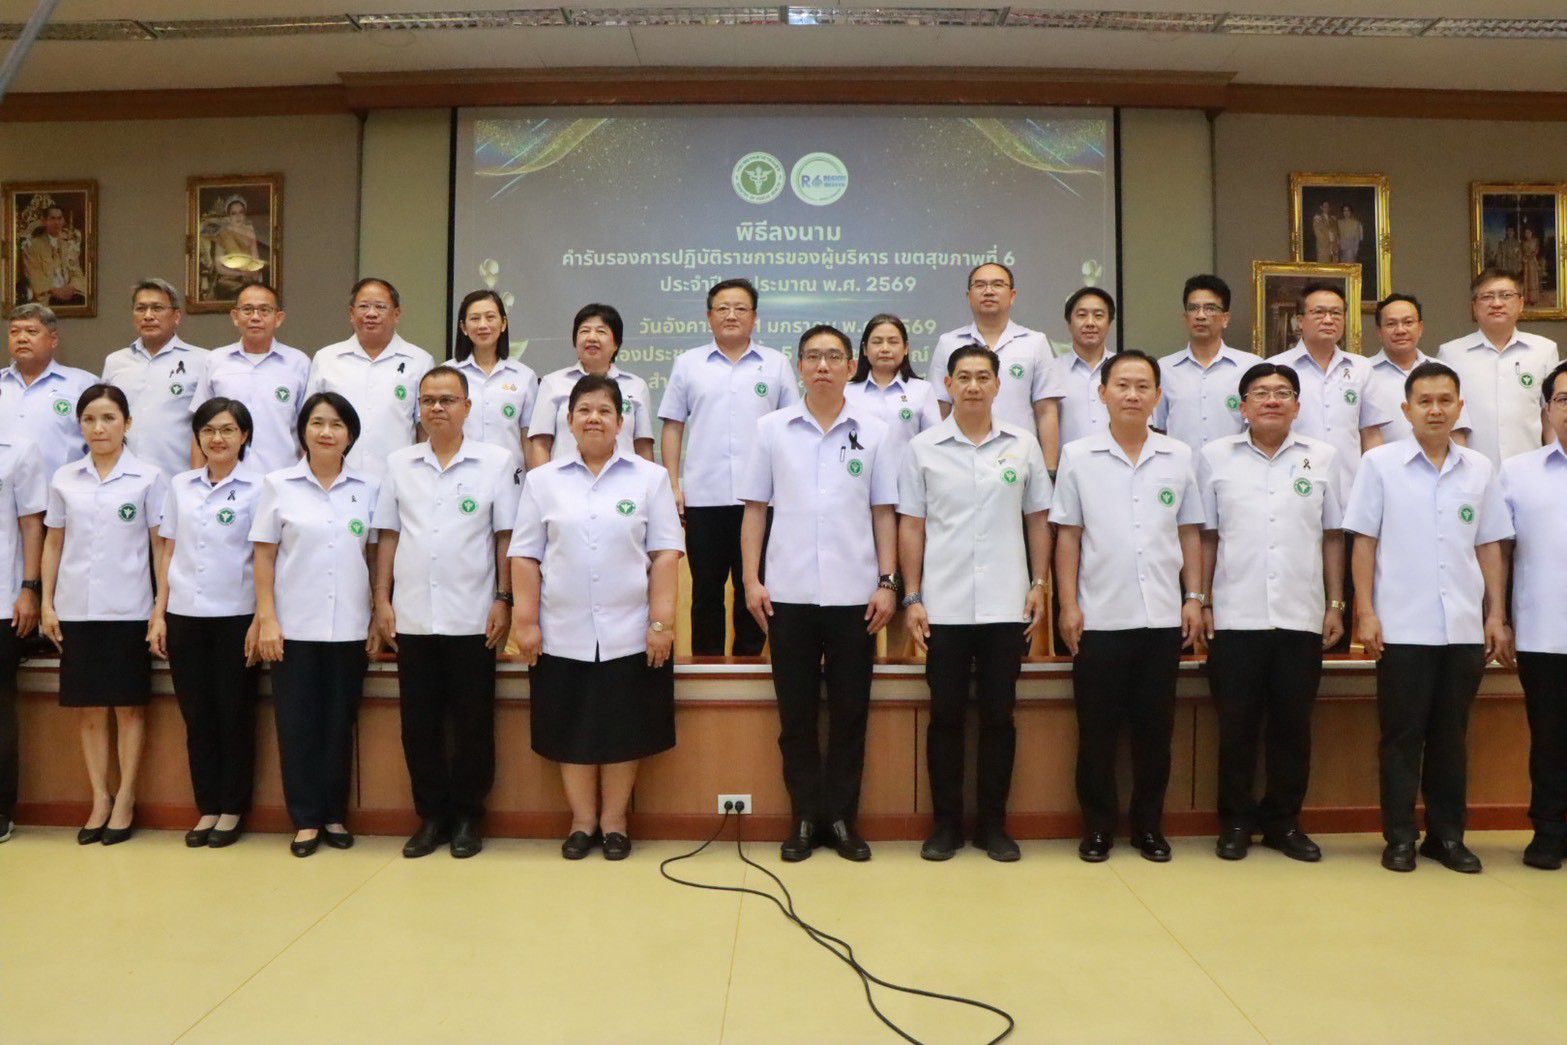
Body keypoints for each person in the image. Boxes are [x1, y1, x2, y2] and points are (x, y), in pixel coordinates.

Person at [1343, 361, 1512, 874]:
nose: (1435, 410)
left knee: (1450, 738)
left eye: (1445, 401)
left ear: (1460, 407)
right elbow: (1364, 543)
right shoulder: (1380, 464)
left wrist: (1496, 614)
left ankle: (1447, 836)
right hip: (1402, 625)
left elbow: (1489, 544)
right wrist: (1366, 611)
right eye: (1425, 401)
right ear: (1406, 409)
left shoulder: (1479, 469)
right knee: (1401, 738)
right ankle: (1399, 837)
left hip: (1462, 626)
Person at [740, 325, 898, 863]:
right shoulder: (771, 429)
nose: (823, 365)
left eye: (833, 356)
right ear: (800, 367)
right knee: (797, 717)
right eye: (812, 357)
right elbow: (754, 510)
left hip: (857, 597)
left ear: (851, 366)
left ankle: (842, 820)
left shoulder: (876, 431)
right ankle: (805, 818)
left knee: (851, 716)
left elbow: (884, 512)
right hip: (788, 596)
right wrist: (751, 580)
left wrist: (887, 582)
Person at [509, 375, 684, 861]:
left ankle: (615, 822)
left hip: (631, 632)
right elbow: (524, 556)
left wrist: (661, 623)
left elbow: (665, 555)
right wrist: (526, 621)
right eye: (584, 410)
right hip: (560, 632)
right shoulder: (543, 481)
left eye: (605, 411)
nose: (594, 419)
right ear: (569, 421)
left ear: (620, 422)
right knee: (570, 731)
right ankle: (582, 821)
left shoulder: (649, 478)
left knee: (625, 732)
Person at [897, 345, 1052, 862]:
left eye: (983, 377)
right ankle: (945, 826)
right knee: (945, 718)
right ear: (947, 384)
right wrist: (913, 595)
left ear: (998, 385)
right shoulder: (923, 447)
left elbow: (1037, 519)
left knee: (998, 718)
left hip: (1007, 605)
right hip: (943, 604)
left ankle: (992, 826)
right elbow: (912, 526)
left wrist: (1039, 582)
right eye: (963, 377)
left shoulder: (1022, 444)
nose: (973, 386)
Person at [1051, 350, 1204, 863]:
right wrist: (1067, 604)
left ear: (1158, 396)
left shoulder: (1178, 455)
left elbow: (1189, 531)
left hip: (1161, 617)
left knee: (1154, 734)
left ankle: (1148, 827)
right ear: (1103, 394)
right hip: (1099, 617)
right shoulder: (1078, 456)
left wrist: (1194, 597)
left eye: (1143, 387)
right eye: (1122, 385)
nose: (1132, 395)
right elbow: (1068, 536)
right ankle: (1097, 828)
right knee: (1096, 734)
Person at [1197, 362, 1345, 862]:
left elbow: (1332, 536)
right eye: (1260, 393)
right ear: (1243, 406)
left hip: (1300, 615)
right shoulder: (1215, 457)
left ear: (1298, 406)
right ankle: (1236, 821)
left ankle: (1284, 822)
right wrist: (1202, 599)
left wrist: (1335, 603)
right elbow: (1207, 537)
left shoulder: (1322, 457)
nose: (1272, 400)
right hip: (1235, 616)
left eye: (1283, 392)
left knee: (1292, 728)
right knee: (1236, 728)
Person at [373, 367, 520, 860]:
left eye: (447, 400)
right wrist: (382, 600)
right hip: (413, 615)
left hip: (473, 615)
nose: (437, 408)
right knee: (419, 725)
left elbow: (505, 536)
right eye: (428, 400)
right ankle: (431, 816)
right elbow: (388, 536)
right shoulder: (399, 463)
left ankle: (468, 818)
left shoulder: (495, 462)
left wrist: (504, 598)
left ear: (467, 407)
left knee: (473, 724)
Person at [250, 392, 378, 858]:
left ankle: (333, 814)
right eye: (318, 423)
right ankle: (305, 819)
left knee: (339, 724)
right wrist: (267, 618)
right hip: (293, 627)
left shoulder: (368, 488)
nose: (327, 432)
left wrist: (375, 614)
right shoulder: (279, 484)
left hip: (349, 626)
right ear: (303, 431)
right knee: (297, 724)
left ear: (351, 435)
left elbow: (372, 556)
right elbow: (264, 556)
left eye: (337, 424)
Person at [39, 385, 167, 846]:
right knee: (90, 710)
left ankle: (126, 797)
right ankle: (100, 798)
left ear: (127, 423)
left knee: (129, 709)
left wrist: (160, 609)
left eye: (109, 418)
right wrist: (47, 603)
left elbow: (160, 547)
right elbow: (53, 542)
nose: (99, 428)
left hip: (130, 609)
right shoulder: (64, 478)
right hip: (76, 609)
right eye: (90, 419)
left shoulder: (148, 477)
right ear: (80, 425)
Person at [658, 278, 797, 657]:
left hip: (760, 500)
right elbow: (673, 426)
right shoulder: (688, 364)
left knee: (754, 587)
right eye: (722, 308)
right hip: (704, 497)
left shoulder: (776, 364)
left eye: (740, 308)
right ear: (709, 317)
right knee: (706, 592)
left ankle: (748, 664)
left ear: (754, 317)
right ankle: (707, 666)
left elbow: (791, 429)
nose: (731, 315)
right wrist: (672, 484)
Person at [147, 399, 263, 849]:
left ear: (244, 436)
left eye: (228, 430)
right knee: (196, 716)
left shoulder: (260, 486)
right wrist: (159, 612)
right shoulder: (181, 485)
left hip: (236, 614)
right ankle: (208, 806)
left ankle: (233, 808)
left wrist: (261, 618)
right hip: (185, 616)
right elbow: (168, 550)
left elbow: (265, 558)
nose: (218, 438)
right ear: (197, 437)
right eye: (209, 430)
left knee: (234, 715)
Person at [1500, 360, 1567, 870]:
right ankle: (1548, 830)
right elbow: (1498, 552)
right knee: (1549, 739)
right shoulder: (1518, 472)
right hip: (1545, 632)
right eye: (1563, 399)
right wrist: (1498, 617)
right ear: (1546, 410)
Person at [306, 278, 434, 481]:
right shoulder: (326, 358)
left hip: (398, 479)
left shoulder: (420, 361)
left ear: (397, 314)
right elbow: (309, 423)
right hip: (336, 479)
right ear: (351, 313)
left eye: (380, 307)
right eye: (364, 306)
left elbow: (425, 428)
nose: (371, 314)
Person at [1438, 269, 1560, 467]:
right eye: (1487, 297)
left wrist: (1557, 465)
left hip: (1529, 469)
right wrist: (1463, 470)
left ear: (1521, 303)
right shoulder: (1451, 354)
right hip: (1471, 469)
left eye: (1506, 295)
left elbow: (1551, 416)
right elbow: (1448, 418)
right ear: (1474, 306)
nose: (1496, 303)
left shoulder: (1544, 350)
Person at [1272, 282, 1390, 482]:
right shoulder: (1276, 368)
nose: (1328, 320)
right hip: (1292, 481)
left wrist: (1376, 482)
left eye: (1336, 313)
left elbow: (1371, 433)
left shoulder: (1361, 367)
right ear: (1300, 321)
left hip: (1349, 483)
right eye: (1319, 313)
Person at [191, 283, 309, 474]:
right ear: (235, 317)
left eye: (264, 310)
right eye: (247, 309)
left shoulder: (299, 363)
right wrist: (196, 480)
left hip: (282, 478)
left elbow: (308, 429)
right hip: (225, 480)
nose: (255, 317)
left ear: (278, 318)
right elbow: (200, 427)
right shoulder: (215, 361)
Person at [928, 262, 1051, 445]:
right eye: (980, 285)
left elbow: (1046, 410)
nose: (988, 291)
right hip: (959, 450)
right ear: (969, 296)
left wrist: (1049, 462)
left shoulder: (1035, 342)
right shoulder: (948, 342)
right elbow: (940, 408)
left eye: (997, 284)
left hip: (1018, 450)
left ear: (1012, 295)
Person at [100, 278, 208, 478]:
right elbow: (103, 419)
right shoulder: (115, 362)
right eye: (140, 308)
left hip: (175, 478)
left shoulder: (202, 361)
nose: (148, 316)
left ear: (176, 316)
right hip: (121, 479)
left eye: (157, 308)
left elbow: (208, 426)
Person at [528, 303, 653, 467]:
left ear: (616, 344)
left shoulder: (636, 386)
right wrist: (543, 482)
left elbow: (643, 447)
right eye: (585, 331)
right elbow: (540, 444)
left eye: (601, 331)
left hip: (623, 479)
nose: (592, 337)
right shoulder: (552, 383)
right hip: (565, 479)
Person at [1153, 275, 1265, 453]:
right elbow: (1158, 428)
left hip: (1234, 467)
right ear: (1185, 317)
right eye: (1193, 308)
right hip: (1181, 468)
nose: (1200, 316)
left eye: (1210, 308)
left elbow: (1262, 426)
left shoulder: (1250, 366)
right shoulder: (1165, 368)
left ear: (1226, 318)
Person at [0, 429, 45, 843]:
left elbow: (32, 524)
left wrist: (29, 588)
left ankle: (1, 810)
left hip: (3, 600)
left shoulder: (17, 449)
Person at [1, 304, 95, 478]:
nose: (21, 338)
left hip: (62, 490)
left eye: (31, 331)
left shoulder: (83, 385)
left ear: (53, 339)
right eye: (14, 332)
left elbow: (102, 443)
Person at [1040, 287, 1127, 472]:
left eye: (1098, 315)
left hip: (1120, 470)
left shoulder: (1126, 370)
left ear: (1110, 323)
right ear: (1069, 323)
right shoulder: (1051, 370)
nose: (1090, 323)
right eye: (1081, 315)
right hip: (1067, 473)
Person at [1367, 293, 1471, 444]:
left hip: (1436, 459)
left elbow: (1456, 431)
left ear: (1420, 328)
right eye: (1391, 324)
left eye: (1408, 322)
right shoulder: (1365, 372)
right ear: (1379, 332)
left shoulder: (1443, 371)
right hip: (1385, 459)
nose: (1400, 330)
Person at [450, 289, 538, 462]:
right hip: (460, 471)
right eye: (475, 318)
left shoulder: (525, 376)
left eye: (490, 317)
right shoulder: (448, 373)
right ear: (463, 327)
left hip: (510, 473)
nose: (483, 325)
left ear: (503, 323)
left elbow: (528, 438)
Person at [845, 313, 942, 467]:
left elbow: (934, 444)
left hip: (907, 479)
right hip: (858, 476)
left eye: (893, 342)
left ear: (906, 348)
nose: (885, 348)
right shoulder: (846, 392)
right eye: (877, 342)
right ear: (864, 349)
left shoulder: (922, 390)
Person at [21, 206, 86, 307]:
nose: (57, 223)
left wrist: (71, 287)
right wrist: (55, 290)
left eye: (59, 218)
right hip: (48, 296)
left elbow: (77, 273)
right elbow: (34, 276)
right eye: (52, 218)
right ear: (44, 221)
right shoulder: (33, 246)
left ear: (63, 221)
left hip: (70, 293)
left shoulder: (68, 244)